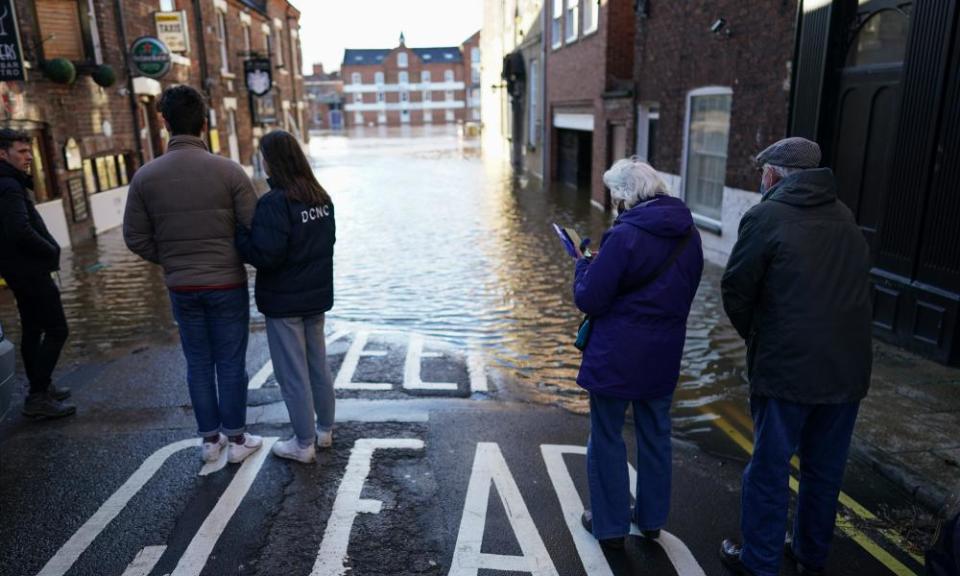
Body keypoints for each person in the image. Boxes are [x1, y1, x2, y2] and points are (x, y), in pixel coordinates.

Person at [719, 137, 873, 576]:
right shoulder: (845, 217)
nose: (760, 180)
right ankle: (810, 554)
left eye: (761, 173)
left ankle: (759, 562)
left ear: (773, 175)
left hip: (787, 371)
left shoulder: (765, 216)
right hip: (846, 370)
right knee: (823, 471)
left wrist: (760, 337)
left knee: (768, 470)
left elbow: (736, 290)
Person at [123, 85, 262, 464]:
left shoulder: (145, 177)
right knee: (231, 362)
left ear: (164, 122)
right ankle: (237, 440)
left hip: (182, 285)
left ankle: (209, 440)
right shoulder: (230, 171)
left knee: (198, 362)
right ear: (204, 122)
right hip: (226, 283)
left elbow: (134, 237)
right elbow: (254, 228)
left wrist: (171, 258)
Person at [573, 157, 704, 549]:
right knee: (655, 434)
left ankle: (610, 525)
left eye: (615, 196)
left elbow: (591, 298)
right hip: (663, 352)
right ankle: (650, 520)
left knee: (608, 436)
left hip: (616, 353)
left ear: (626, 196)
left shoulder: (625, 235)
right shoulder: (689, 234)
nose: (615, 204)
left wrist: (583, 268)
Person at [235, 130, 336, 464]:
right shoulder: (320, 197)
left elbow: (267, 255)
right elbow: (326, 245)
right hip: (315, 296)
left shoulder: (275, 203)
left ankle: (303, 444)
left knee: (293, 373)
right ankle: (324, 431)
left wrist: (240, 237)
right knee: (317, 365)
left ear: (274, 160)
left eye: (263, 155)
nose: (261, 161)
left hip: (284, 302)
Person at [0, 128, 75, 418]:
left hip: (19, 270)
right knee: (57, 329)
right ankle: (38, 395)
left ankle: (40, 386)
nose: (29, 157)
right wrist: (50, 250)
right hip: (30, 270)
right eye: (22, 151)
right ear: (3, 154)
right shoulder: (8, 185)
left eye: (30, 151)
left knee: (33, 329)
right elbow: (19, 230)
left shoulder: (8, 181)